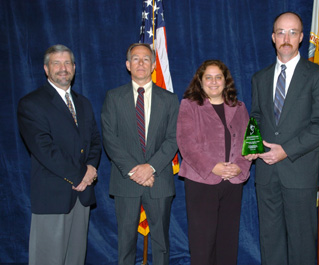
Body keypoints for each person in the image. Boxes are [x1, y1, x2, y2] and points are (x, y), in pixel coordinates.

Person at [245, 12, 319, 265]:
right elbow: (257, 117)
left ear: (301, 38)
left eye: (293, 32)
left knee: (302, 240)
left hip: (299, 170)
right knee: (270, 239)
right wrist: (253, 144)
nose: (286, 38)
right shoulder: (259, 78)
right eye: (281, 32)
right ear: (273, 37)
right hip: (265, 171)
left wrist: (285, 150)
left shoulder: (318, 75)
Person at [17, 44, 102, 265]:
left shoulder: (83, 103)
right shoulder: (31, 103)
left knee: (75, 259)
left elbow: (94, 141)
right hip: (52, 196)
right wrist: (81, 175)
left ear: (74, 67)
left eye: (67, 63)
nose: (62, 68)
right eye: (56, 63)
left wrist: (91, 168)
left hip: (81, 198)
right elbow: (44, 150)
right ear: (46, 69)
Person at [101, 43, 179, 265]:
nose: (141, 63)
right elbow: (110, 138)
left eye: (146, 59)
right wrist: (135, 171)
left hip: (159, 179)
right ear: (128, 65)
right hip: (126, 180)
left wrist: (150, 167)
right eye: (135, 59)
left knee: (162, 242)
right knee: (125, 242)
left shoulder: (170, 99)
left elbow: (173, 138)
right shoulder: (113, 97)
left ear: (154, 65)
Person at [177, 59, 251, 265]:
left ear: (225, 81)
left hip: (233, 182)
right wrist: (214, 167)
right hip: (202, 182)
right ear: (200, 81)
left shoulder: (239, 107)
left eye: (218, 77)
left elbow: (248, 143)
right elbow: (186, 144)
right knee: (203, 243)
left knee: (228, 241)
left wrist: (239, 167)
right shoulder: (189, 106)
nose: (214, 81)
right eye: (208, 77)